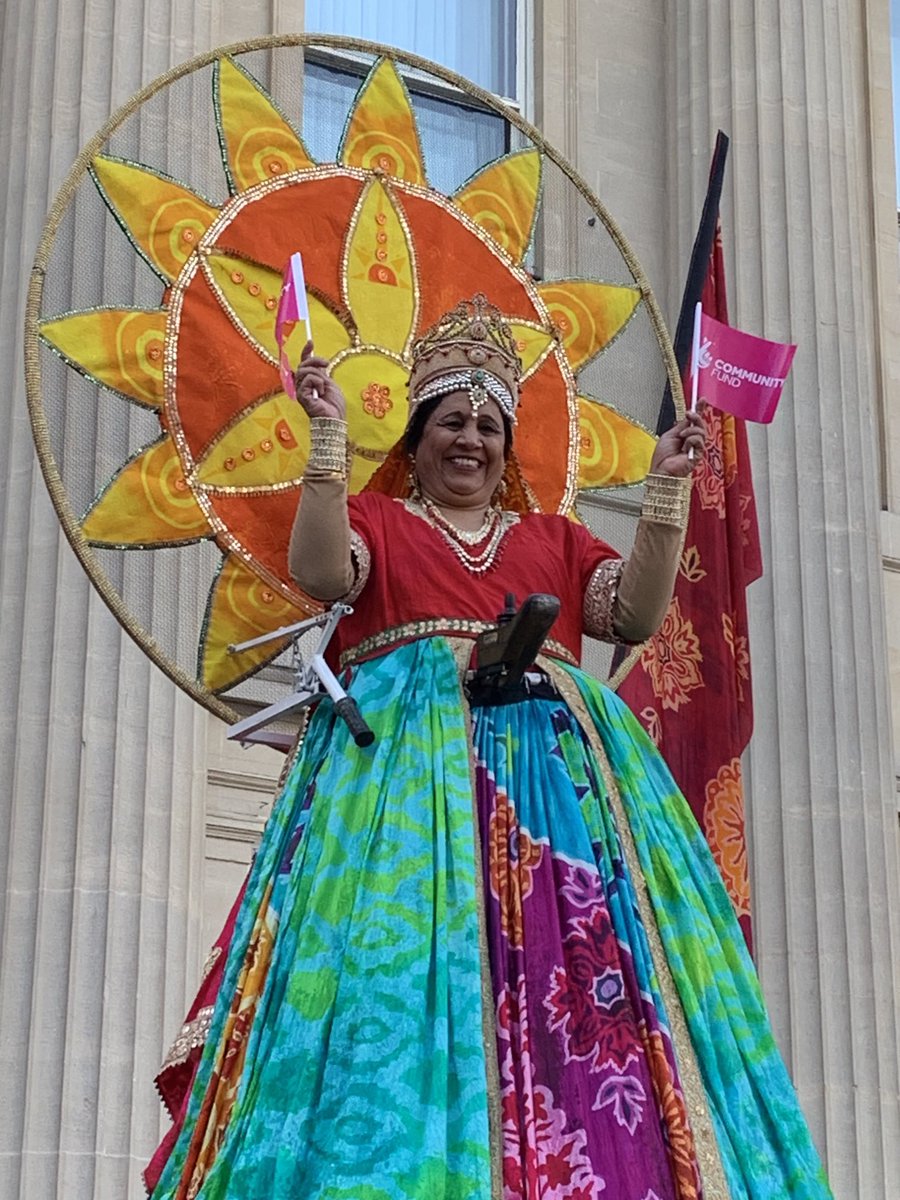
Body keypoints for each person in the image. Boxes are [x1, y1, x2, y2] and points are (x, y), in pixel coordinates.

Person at [148, 296, 833, 1200]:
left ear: (509, 447)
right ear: (416, 437)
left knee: (581, 1002)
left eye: (488, 425)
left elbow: (629, 614)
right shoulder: (382, 526)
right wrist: (324, 440)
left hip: (555, 811)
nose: (470, 439)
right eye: (450, 422)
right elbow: (321, 570)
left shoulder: (552, 539)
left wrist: (666, 489)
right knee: (386, 992)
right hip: (400, 803)